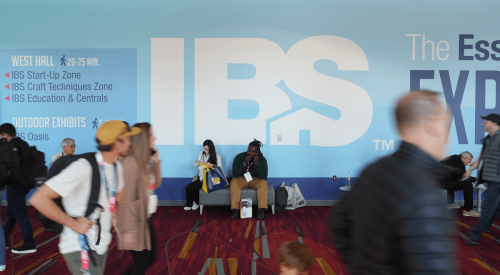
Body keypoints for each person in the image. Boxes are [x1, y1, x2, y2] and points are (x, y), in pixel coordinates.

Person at [330, 91, 455, 274]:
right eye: (446, 125)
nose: (446, 134)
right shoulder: (425, 193)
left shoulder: (373, 170)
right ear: (432, 124)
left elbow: (338, 220)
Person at [29, 120, 141, 275]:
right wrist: (73, 224)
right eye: (129, 139)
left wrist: (115, 211)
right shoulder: (84, 167)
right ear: (117, 143)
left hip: (101, 243)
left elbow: (118, 195)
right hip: (79, 246)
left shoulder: (116, 166)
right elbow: (38, 198)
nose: (131, 143)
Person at [117, 123, 162, 275]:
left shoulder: (143, 162)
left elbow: (156, 183)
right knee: (141, 262)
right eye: (150, 135)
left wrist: (156, 162)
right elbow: (124, 201)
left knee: (148, 259)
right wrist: (129, 230)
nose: (154, 138)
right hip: (133, 222)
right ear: (141, 139)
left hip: (144, 218)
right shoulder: (130, 163)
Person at [460, 113, 500, 245]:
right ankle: (485, 227)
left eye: (487, 122)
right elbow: (483, 157)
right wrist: (471, 169)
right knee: (496, 208)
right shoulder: (489, 139)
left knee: (488, 207)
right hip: (492, 178)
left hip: (497, 180)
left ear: (494, 124)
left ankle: (474, 235)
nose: (484, 124)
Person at [0, 123, 37, 254]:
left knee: (21, 215)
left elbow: (8, 169)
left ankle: (29, 244)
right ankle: (2, 241)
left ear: (5, 134)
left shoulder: (10, 147)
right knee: (11, 213)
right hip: (25, 185)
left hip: (15, 186)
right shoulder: (24, 144)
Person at [229, 139, 269, 220]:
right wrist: (244, 163)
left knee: (263, 183)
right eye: (249, 150)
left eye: (253, 152)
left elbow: (264, 177)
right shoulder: (240, 157)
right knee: (234, 182)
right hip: (242, 178)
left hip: (255, 179)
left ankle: (261, 210)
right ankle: (235, 209)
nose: (250, 153)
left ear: (257, 152)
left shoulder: (262, 159)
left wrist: (256, 164)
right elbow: (235, 174)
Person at [184, 139, 222, 210]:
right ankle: (189, 204)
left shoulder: (216, 156)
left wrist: (211, 165)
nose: (206, 150)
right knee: (188, 187)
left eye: (207, 149)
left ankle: (197, 202)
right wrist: (200, 166)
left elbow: (220, 169)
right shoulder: (201, 154)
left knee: (195, 187)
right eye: (205, 148)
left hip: (210, 180)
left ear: (211, 148)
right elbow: (198, 166)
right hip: (201, 178)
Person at [439, 151, 480, 217]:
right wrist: (477, 179)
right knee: (468, 184)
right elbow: (466, 177)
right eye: (468, 162)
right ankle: (468, 210)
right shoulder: (460, 164)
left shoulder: (452, 158)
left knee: (453, 180)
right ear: (465, 158)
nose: (467, 164)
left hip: (437, 181)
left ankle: (450, 203)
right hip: (442, 183)